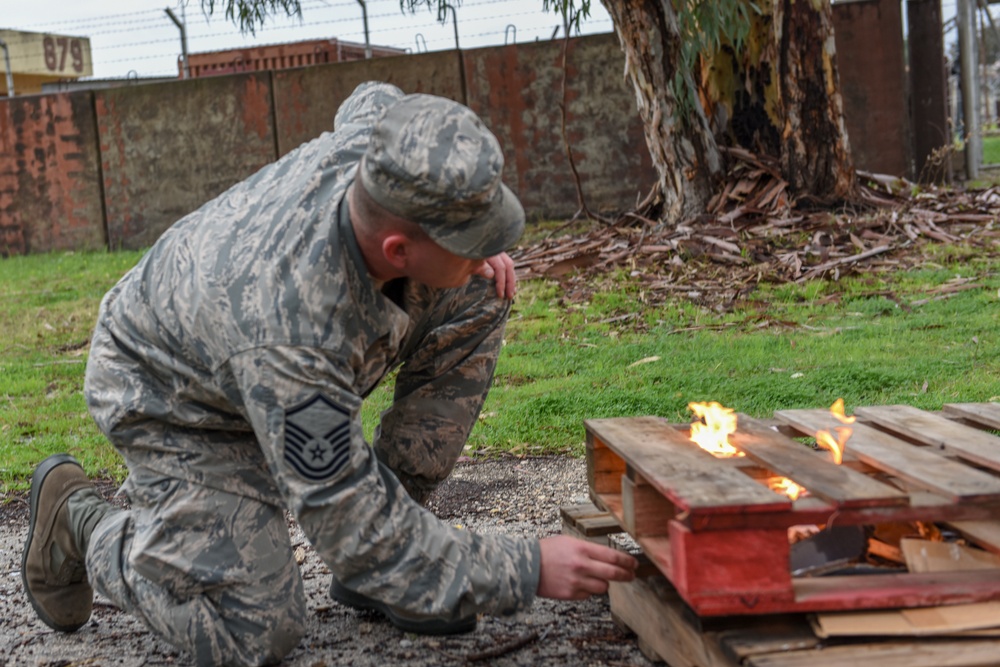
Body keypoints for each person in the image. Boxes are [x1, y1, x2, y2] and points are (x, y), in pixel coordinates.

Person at [21, 81, 638, 667]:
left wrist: (468, 241)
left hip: (247, 347)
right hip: (174, 393)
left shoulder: (378, 144)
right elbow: (349, 526)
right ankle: (81, 520)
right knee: (254, 627)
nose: (486, 247)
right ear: (399, 249)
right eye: (472, 236)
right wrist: (527, 567)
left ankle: (398, 563)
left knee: (477, 290)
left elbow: (371, 98)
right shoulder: (295, 335)